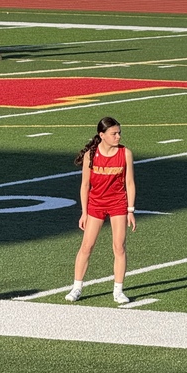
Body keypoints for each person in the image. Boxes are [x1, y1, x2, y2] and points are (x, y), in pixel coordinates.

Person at [65, 117, 136, 305]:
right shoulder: (91, 154)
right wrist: (84, 212)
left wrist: (130, 210)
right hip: (96, 204)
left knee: (119, 247)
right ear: (102, 135)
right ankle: (77, 287)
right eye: (114, 133)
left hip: (118, 203)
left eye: (119, 132)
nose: (118, 136)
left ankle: (118, 290)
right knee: (86, 246)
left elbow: (129, 183)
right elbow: (85, 185)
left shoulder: (125, 153)